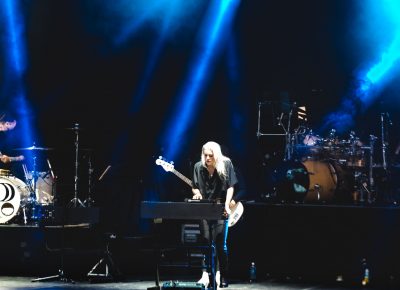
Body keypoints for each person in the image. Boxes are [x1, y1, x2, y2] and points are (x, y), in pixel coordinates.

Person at [192, 141, 238, 288]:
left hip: (220, 208)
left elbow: (231, 186)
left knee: (220, 245)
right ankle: (208, 275)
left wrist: (226, 204)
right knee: (206, 242)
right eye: (205, 155)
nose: (207, 158)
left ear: (216, 155)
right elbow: (194, 187)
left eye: (210, 156)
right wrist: (197, 193)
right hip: (204, 210)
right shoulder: (198, 167)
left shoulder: (226, 163)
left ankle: (223, 274)